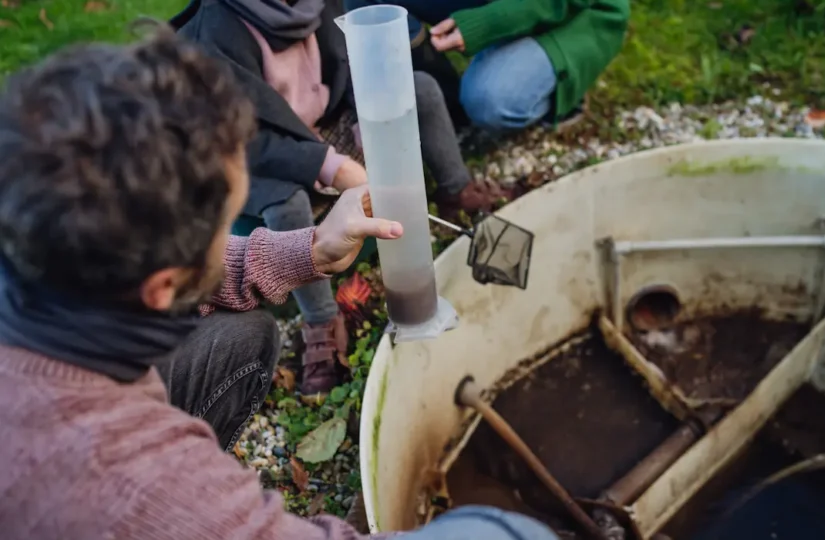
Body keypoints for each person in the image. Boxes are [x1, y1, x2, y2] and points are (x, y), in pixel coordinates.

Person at [0, 27, 559, 540]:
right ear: (161, 287)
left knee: (244, 338)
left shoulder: (33, 243)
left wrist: (311, 248)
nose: (229, 237)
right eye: (225, 226)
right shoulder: (127, 486)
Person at [171, 0, 511, 395]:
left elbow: (351, 62)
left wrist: (366, 113)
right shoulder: (214, 35)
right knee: (287, 203)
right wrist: (330, 166)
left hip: (327, 125)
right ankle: (321, 321)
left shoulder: (315, 5)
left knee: (421, 89)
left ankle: (456, 191)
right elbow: (246, 141)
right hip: (260, 156)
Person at [343, 0, 630, 132]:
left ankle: (561, 92)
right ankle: (446, 106)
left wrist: (485, 25)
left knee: (488, 100)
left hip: (576, 14)